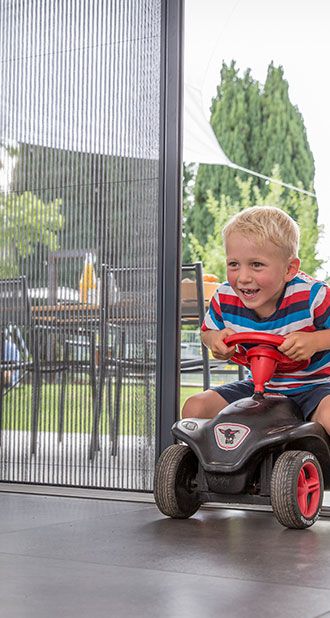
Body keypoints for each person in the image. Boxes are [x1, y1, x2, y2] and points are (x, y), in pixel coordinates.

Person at [182, 205, 330, 435]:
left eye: (256, 265)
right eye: (233, 264)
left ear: (289, 269)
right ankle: (210, 470)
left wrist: (315, 342)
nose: (242, 277)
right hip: (260, 386)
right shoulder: (225, 297)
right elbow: (207, 331)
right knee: (195, 407)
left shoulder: (313, 296)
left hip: (316, 387)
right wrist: (214, 341)